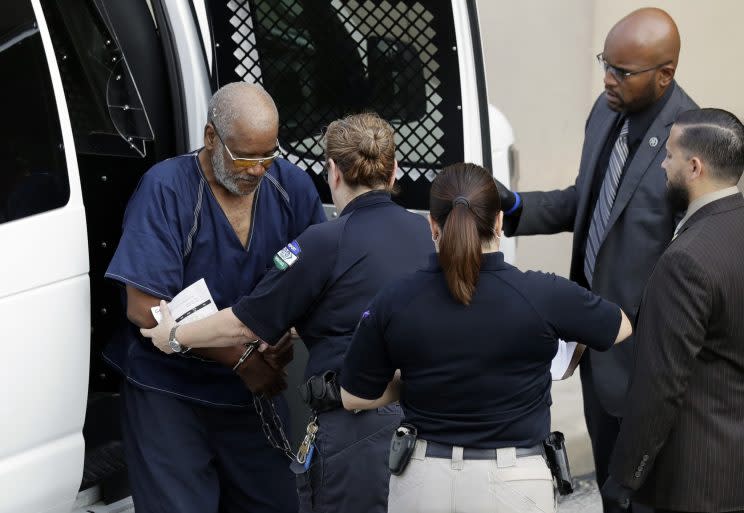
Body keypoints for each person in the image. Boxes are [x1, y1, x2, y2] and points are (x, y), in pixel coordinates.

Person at [141, 112, 433, 513]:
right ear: (395, 170)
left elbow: (244, 322)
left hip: (357, 432)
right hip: (426, 422)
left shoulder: (322, 241)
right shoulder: (426, 235)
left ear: (332, 171)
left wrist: (173, 336)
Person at [339, 163, 633, 513]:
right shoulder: (542, 294)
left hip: (423, 479)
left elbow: (353, 396)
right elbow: (621, 326)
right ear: (498, 222)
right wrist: (571, 341)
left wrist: (410, 383)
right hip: (514, 483)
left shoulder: (394, 299)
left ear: (433, 226)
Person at [493, 8, 697, 509]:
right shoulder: (607, 111)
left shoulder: (691, 141)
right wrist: (515, 206)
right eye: (606, 62)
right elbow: (587, 202)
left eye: (622, 72)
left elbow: (694, 262)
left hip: (646, 363)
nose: (608, 78)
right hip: (591, 347)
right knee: (609, 491)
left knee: (643, 496)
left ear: (664, 74)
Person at [104, 82, 326, 513]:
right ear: (211, 137)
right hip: (170, 390)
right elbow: (143, 307)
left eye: (268, 155)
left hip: (255, 393)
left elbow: (316, 279)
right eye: (245, 157)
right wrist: (241, 359)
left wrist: (283, 336)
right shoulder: (167, 189)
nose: (258, 170)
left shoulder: (290, 188)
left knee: (278, 502)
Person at [602, 109, 744, 513]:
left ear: (694, 166)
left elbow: (660, 384)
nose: (662, 166)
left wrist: (626, 475)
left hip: (690, 486)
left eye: (669, 156)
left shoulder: (686, 260)